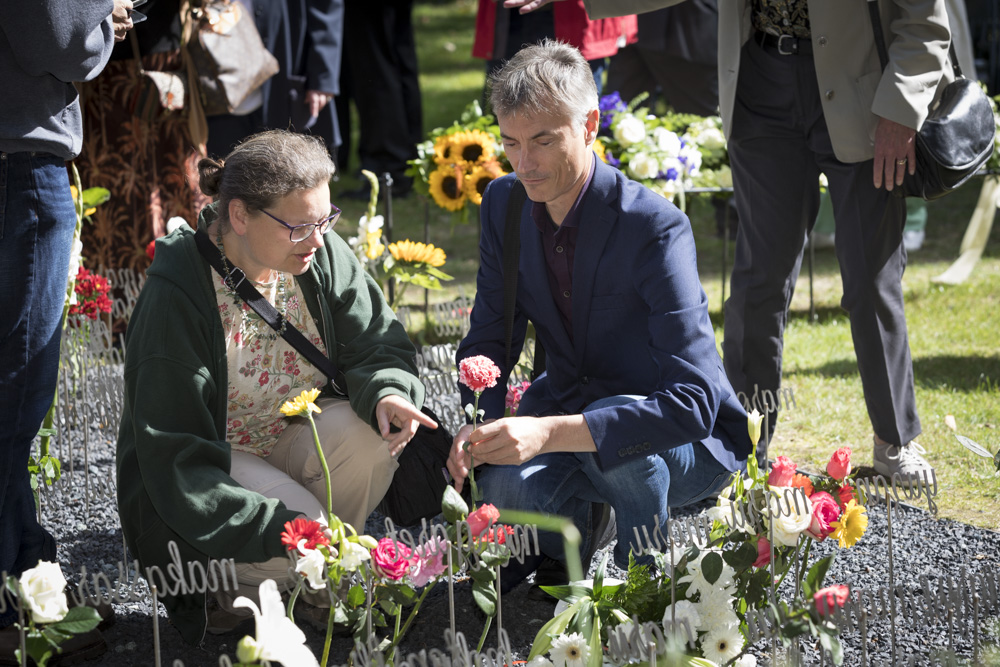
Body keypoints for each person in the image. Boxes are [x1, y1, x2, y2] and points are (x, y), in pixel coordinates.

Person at [513, 0, 950, 484]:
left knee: (871, 280)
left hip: (864, 97)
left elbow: (925, 22)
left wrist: (901, 109)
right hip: (760, 90)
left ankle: (895, 443)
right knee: (759, 281)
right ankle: (741, 448)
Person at [447, 40, 752, 589]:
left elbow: (695, 401)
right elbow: (490, 335)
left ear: (589, 125)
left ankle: (644, 584)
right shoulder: (504, 203)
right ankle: (580, 525)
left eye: (543, 140)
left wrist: (546, 433)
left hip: (679, 442)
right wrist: (483, 419)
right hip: (564, 409)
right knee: (506, 494)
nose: (525, 163)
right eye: (511, 142)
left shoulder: (654, 228)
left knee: (626, 457)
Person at [116, 130, 435, 644]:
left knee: (368, 440)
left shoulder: (318, 254)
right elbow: (176, 462)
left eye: (326, 220)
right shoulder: (177, 296)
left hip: (290, 441)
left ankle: (308, 580)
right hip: (211, 470)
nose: (318, 239)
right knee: (306, 539)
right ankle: (231, 586)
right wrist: (282, 528)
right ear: (239, 216)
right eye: (300, 226)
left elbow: (378, 339)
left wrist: (388, 391)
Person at [1, 0, 131, 661]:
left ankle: (31, 583)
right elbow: (59, 36)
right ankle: (9, 609)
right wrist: (102, 17)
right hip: (16, 161)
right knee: (14, 399)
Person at [77, 0, 211, 273]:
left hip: (159, 73)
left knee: (175, 186)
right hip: (106, 76)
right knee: (117, 199)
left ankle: (186, 297)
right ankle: (119, 305)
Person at [206, 0, 343, 159]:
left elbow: (326, 7)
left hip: (285, 52)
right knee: (222, 164)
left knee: (289, 166)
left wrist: (323, 73)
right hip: (216, 61)